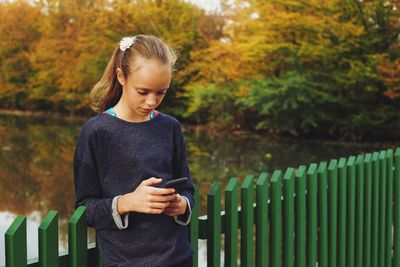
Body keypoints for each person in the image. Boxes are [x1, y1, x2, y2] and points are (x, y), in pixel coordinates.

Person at [73, 35, 195, 267]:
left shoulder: (170, 127)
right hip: (124, 262)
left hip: (178, 258)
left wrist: (182, 204)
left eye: (161, 92)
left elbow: (187, 189)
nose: (152, 101)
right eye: (143, 91)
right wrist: (126, 202)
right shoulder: (96, 132)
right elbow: (85, 210)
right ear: (121, 76)